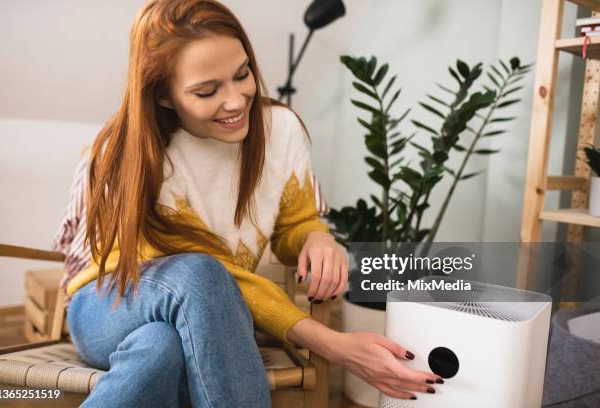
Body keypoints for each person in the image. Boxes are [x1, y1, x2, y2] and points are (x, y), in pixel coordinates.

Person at [61, 1, 442, 407]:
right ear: (164, 96)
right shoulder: (144, 158)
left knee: (161, 348)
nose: (237, 100)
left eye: (242, 74)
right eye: (207, 91)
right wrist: (333, 345)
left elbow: (293, 220)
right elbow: (211, 280)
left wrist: (315, 236)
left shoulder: (281, 129)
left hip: (194, 314)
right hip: (108, 303)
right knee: (201, 274)